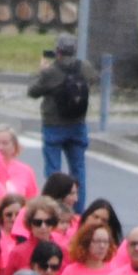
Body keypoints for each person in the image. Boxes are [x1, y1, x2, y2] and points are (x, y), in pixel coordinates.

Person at [27, 35, 92, 197]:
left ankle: (54, 204)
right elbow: (94, 79)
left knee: (53, 171)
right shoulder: (84, 67)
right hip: (78, 123)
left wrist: (41, 72)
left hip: (54, 125)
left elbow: (33, 91)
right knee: (78, 170)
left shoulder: (51, 71)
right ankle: (78, 207)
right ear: (74, 50)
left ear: (58, 51)